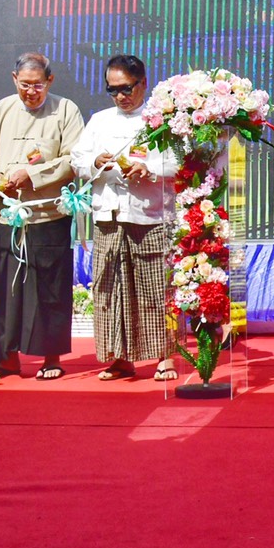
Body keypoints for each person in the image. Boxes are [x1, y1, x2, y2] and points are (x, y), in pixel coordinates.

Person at [0, 52, 84, 380]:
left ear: (50, 81)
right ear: (14, 80)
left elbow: (74, 159)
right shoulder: (1, 109)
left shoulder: (65, 110)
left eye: (37, 84)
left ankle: (51, 357)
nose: (30, 92)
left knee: (49, 287)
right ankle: (6, 357)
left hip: (47, 215)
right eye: (24, 85)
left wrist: (32, 176)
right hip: (7, 214)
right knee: (6, 288)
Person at [69, 54, 175, 381]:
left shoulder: (161, 121)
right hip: (108, 215)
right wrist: (93, 163)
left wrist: (150, 169)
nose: (120, 97)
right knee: (110, 289)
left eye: (127, 88)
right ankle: (119, 358)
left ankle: (166, 357)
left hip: (150, 215)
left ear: (143, 83)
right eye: (112, 90)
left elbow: (179, 163)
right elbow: (77, 159)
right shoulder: (100, 121)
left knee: (156, 289)